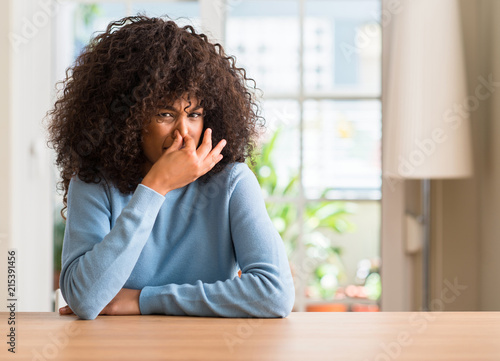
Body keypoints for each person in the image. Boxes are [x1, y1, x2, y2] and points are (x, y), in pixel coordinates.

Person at [46, 15, 295, 320]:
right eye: (165, 114)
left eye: (194, 114)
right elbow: (86, 299)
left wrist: (142, 300)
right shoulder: (94, 182)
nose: (184, 133)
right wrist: (155, 187)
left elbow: (274, 294)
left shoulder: (232, 182)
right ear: (128, 119)